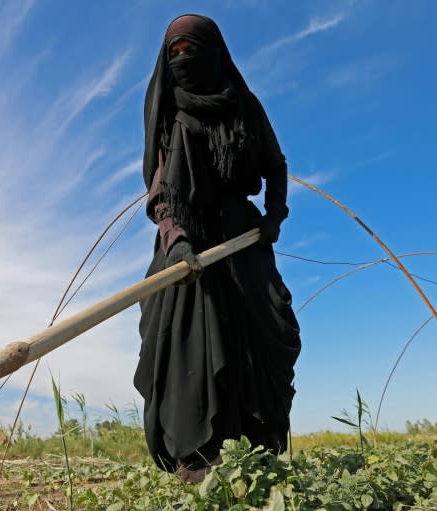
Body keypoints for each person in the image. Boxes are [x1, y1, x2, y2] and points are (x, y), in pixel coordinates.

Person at [134, 13, 302, 483]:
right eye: (176, 54)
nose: (185, 61)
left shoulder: (245, 106)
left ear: (217, 52)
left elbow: (275, 163)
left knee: (266, 328)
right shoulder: (171, 110)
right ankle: (200, 465)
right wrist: (177, 240)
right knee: (186, 338)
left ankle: (259, 453)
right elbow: (162, 190)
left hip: (243, 238)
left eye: (194, 51)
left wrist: (275, 215)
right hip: (186, 236)